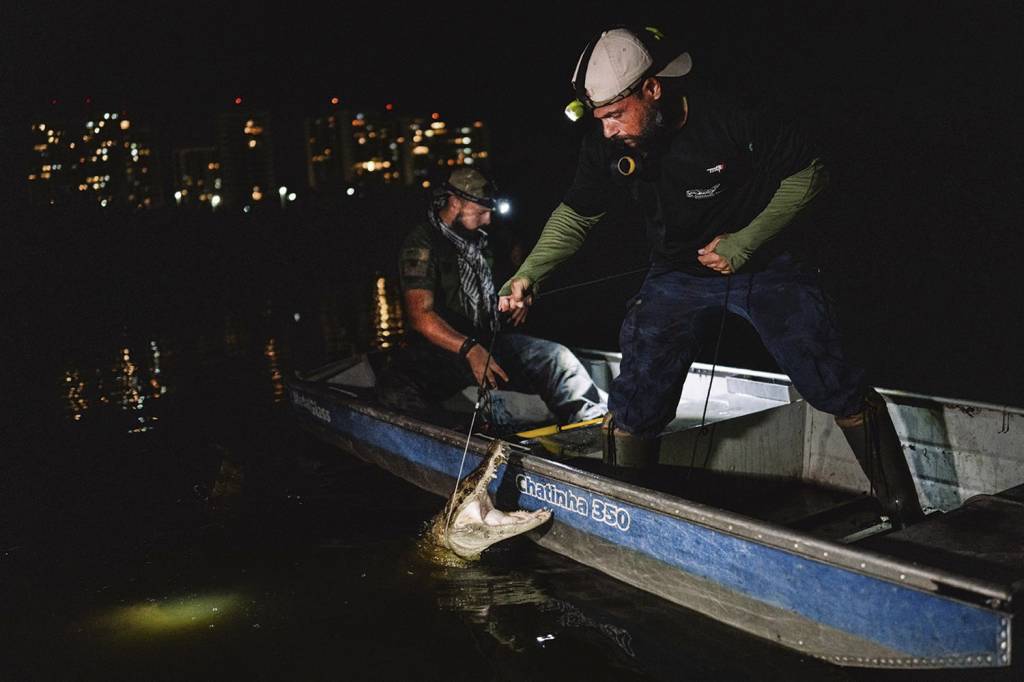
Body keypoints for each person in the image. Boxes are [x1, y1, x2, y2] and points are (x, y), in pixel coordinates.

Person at [497, 26, 924, 526]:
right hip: (677, 272)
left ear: (652, 89)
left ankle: (902, 509)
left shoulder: (731, 115)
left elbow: (810, 172)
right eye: (600, 119)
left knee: (829, 378)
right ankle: (625, 514)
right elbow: (577, 215)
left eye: (615, 115)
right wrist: (528, 275)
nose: (608, 131)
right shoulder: (608, 145)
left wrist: (746, 240)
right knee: (638, 394)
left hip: (765, 263)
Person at [379, 167, 606, 431]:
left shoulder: (491, 237)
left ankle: (592, 430)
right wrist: (470, 349)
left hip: (491, 341)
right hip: (444, 350)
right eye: (480, 212)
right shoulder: (423, 243)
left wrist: (523, 294)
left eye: (490, 212)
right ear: (454, 203)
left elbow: (519, 265)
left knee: (558, 358)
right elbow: (421, 316)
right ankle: (459, 434)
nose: (488, 220)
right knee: (392, 388)